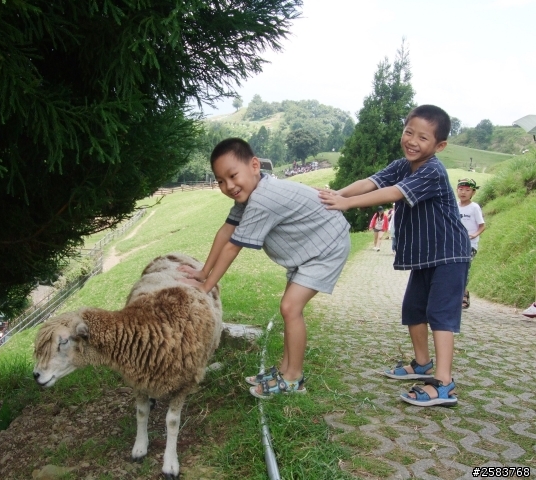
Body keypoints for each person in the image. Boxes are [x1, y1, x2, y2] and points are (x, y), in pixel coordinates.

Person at [319, 105, 470, 407]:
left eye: (422, 138)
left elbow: (393, 194)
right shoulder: (403, 164)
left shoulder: (432, 170)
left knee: (440, 315)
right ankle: (422, 364)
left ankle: (443, 382)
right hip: (425, 256)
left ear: (439, 146)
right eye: (408, 132)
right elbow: (372, 182)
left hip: (450, 254)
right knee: (414, 310)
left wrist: (346, 205)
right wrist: (336, 195)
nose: (412, 141)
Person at [180, 138, 351, 399]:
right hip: (310, 249)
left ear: (255, 166)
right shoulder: (251, 194)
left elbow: (232, 248)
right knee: (290, 309)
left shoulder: (263, 199)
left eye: (233, 175)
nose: (229, 186)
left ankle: (293, 378)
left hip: (327, 246)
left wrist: (206, 287)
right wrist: (203, 272)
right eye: (221, 181)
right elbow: (226, 231)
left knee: (290, 308)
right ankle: (285, 369)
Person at [456, 178, 485, 309]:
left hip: (470, 245)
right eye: (461, 189)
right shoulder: (454, 205)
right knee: (453, 270)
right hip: (455, 243)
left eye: (467, 190)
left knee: (464, 269)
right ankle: (457, 294)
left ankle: (463, 294)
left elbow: (482, 226)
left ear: (473, 192)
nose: (463, 192)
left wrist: (474, 235)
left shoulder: (474, 208)